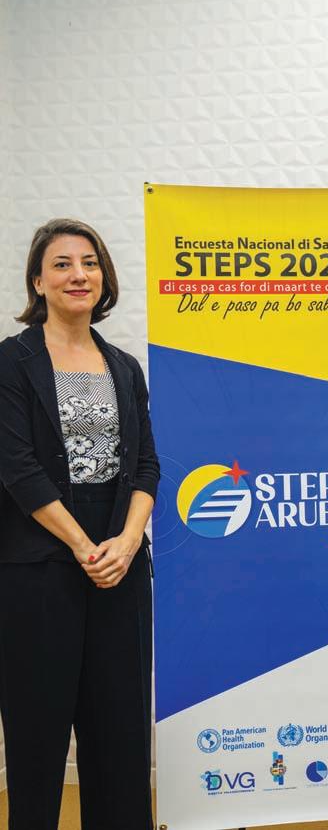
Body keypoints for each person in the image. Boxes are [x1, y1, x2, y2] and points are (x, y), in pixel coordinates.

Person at [0, 218, 160, 830]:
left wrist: (127, 542)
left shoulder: (124, 366)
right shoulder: (11, 362)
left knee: (120, 735)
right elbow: (17, 469)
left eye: (89, 263)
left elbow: (146, 464)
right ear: (38, 281)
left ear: (104, 278)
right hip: (38, 564)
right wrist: (83, 545)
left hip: (120, 566)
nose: (78, 274)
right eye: (62, 264)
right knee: (37, 736)